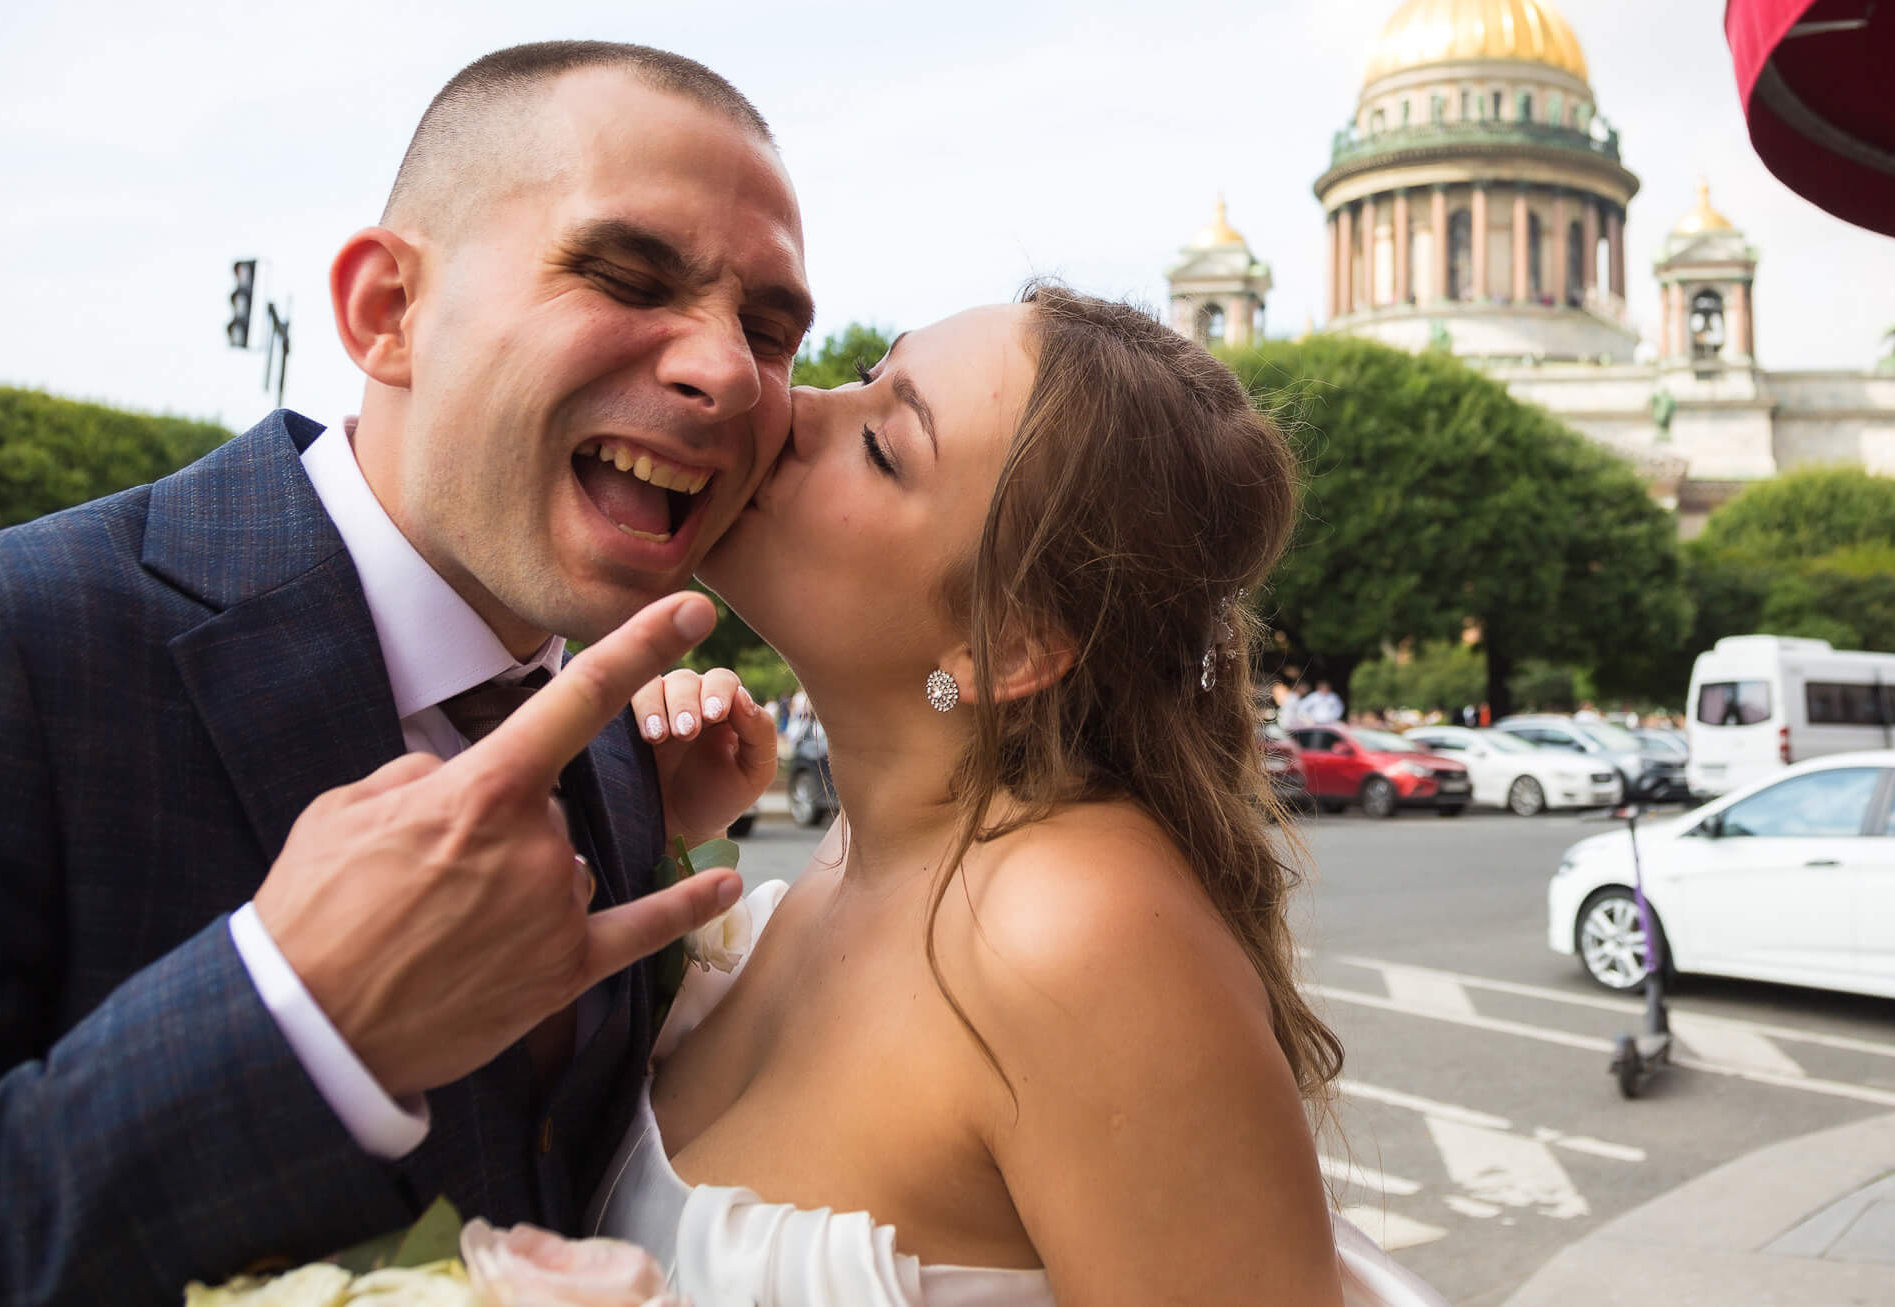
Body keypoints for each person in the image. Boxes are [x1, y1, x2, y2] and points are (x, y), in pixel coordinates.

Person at [0, 42, 800, 1303]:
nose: (726, 370)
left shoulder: (614, 739)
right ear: (387, 311)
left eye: (770, 329)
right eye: (623, 273)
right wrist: (293, 1021)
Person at [604, 287, 1442, 1305]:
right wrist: (648, 834)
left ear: (1007, 646)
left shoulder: (1071, 934)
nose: (790, 407)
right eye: (865, 380)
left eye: (883, 446)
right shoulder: (863, 851)